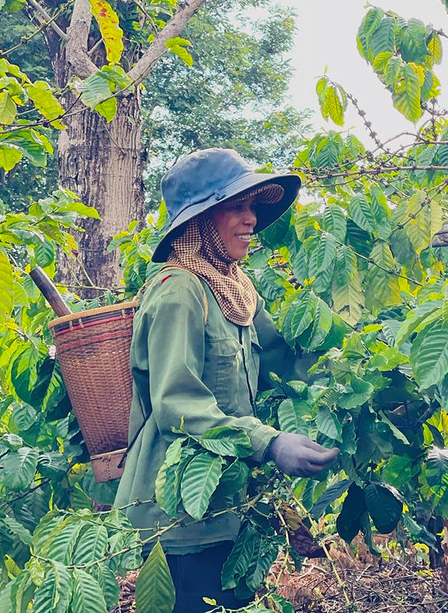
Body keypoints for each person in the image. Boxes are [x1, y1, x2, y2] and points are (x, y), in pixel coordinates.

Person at [114, 148, 339, 612]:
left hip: (231, 498)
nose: (251, 219)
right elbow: (178, 402)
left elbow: (285, 360)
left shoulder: (235, 287)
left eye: (253, 207)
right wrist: (270, 443)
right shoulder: (178, 290)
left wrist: (366, 384)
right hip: (180, 509)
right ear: (199, 221)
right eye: (236, 207)